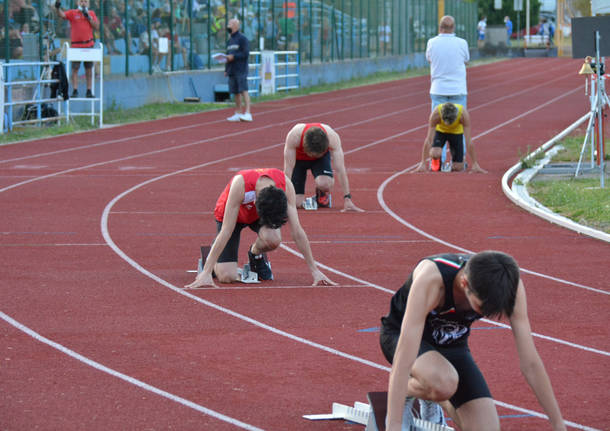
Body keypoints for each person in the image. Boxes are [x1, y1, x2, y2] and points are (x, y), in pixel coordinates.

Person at [380, 251, 567, 431]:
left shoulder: (510, 286)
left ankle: (431, 394)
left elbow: (531, 364)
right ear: (464, 283)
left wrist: (559, 425)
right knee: (443, 382)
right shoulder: (432, 280)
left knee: (487, 428)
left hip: (451, 343)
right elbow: (404, 357)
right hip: (400, 336)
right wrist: (393, 425)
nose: (482, 314)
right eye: (480, 307)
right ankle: (408, 390)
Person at [184, 168, 336, 288]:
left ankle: (255, 254)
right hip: (232, 216)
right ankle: (209, 260)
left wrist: (315, 271)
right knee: (227, 277)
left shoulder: (284, 184)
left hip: (258, 214)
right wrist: (205, 273)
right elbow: (226, 231)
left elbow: (297, 231)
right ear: (257, 205)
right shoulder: (241, 184)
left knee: (274, 239)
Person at [283, 123, 364, 212]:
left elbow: (340, 169)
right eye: (311, 154)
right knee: (296, 203)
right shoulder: (294, 137)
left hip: (319, 160)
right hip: (298, 160)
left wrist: (347, 198)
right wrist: (283, 198)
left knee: (325, 184)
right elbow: (288, 170)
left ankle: (322, 193)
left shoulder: (332, 138)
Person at [414, 103, 486, 173]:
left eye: (451, 122)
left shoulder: (463, 115)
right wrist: (423, 163)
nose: (449, 125)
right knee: (434, 154)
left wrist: (475, 163)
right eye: (447, 122)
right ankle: (438, 162)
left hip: (456, 133)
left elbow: (468, 141)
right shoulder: (436, 115)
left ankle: (461, 161)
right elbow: (429, 140)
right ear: (441, 116)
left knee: (457, 168)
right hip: (441, 131)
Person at [55, 0, 99, 98]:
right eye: (81, 1)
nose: (83, 3)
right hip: (76, 46)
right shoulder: (72, 13)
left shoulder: (91, 13)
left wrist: (88, 17)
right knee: (75, 68)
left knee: (89, 69)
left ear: (88, 3)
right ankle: (75, 90)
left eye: (85, 1)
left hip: (88, 45)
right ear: (77, 3)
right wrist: (58, 8)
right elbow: (62, 15)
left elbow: (96, 26)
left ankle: (89, 90)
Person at [426, 15, 469, 110]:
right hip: (458, 89)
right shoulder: (462, 43)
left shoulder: (431, 42)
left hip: (438, 88)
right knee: (459, 120)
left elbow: (429, 60)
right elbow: (466, 61)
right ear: (453, 28)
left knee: (437, 121)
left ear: (440, 27)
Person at [225, 18, 252, 122]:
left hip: (241, 69)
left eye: (230, 23)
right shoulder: (229, 40)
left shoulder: (242, 39)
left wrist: (234, 57)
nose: (228, 25)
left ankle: (248, 113)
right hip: (232, 69)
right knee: (235, 92)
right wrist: (226, 69)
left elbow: (245, 53)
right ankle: (238, 112)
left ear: (236, 25)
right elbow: (227, 55)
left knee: (243, 90)